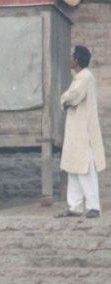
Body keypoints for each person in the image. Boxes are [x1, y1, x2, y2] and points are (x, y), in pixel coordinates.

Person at [57, 45, 105, 219]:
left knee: (85, 167)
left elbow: (71, 97)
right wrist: (66, 100)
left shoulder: (85, 77)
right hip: (75, 127)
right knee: (73, 166)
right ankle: (75, 206)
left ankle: (93, 206)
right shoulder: (79, 77)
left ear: (76, 60)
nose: (70, 59)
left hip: (83, 128)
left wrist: (64, 100)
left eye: (72, 56)